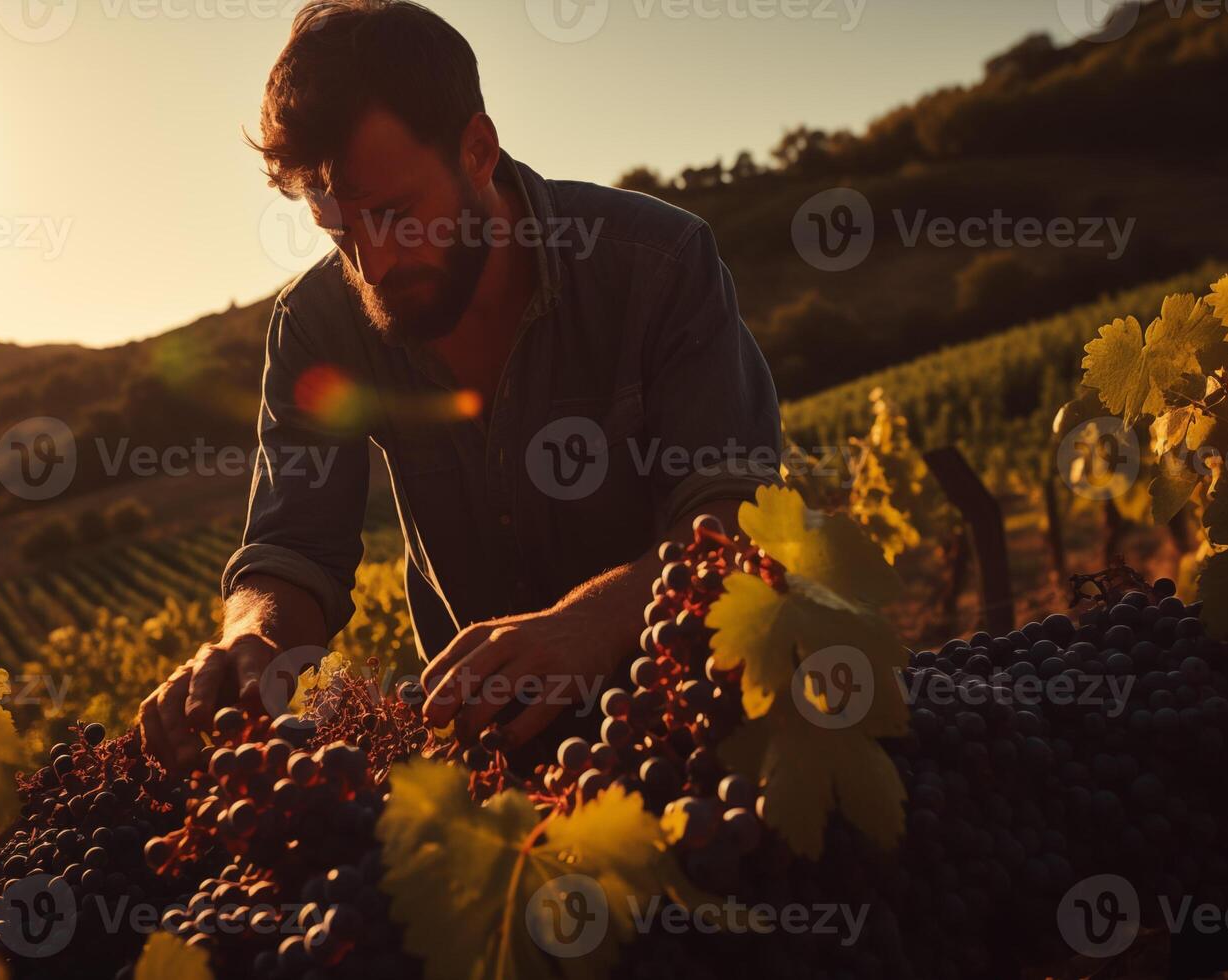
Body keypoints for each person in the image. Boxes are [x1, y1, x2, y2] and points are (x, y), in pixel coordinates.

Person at [137, 0, 782, 770]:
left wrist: (594, 621)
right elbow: (293, 543)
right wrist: (253, 635)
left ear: (476, 150)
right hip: (492, 761)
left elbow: (735, 510)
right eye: (339, 229)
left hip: (702, 725)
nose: (371, 264)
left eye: (396, 216)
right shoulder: (316, 325)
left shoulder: (658, 263)